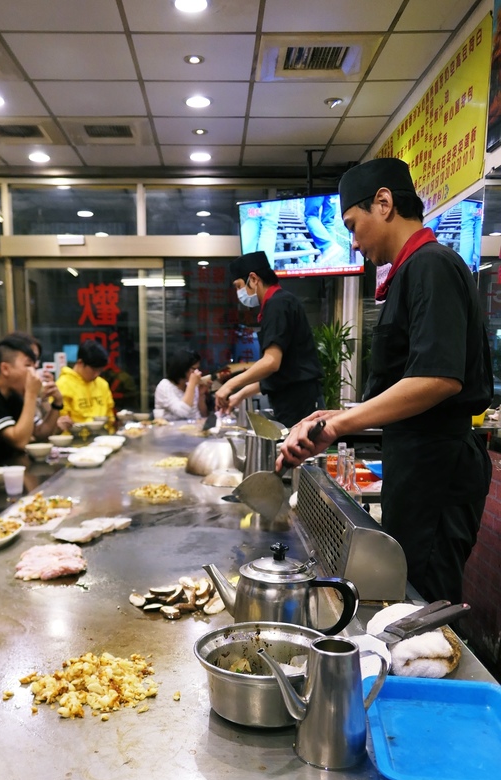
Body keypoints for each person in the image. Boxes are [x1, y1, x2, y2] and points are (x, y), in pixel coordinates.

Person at [278, 157, 493, 604]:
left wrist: (339, 426)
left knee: (425, 601)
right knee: (407, 589)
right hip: (416, 465)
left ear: (384, 203)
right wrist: (339, 415)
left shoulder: (432, 265)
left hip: (439, 470)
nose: (353, 243)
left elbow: (437, 378)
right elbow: (406, 386)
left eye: (353, 227)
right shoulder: (408, 273)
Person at [214, 251, 324, 428]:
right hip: (295, 401)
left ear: (254, 278)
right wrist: (240, 395)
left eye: (238, 286)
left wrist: (230, 385)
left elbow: (271, 362)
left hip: (298, 405)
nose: (238, 292)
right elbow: (282, 372)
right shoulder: (279, 302)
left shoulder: (278, 304)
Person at [0, 334, 65, 463]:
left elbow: (40, 433)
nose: (34, 374)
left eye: (34, 368)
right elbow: (19, 441)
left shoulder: (13, 395)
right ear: (5, 369)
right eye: (28, 366)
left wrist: (57, 404)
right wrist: (31, 393)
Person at [56, 341, 115, 423]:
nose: (97, 374)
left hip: (103, 434)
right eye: (94, 370)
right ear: (80, 362)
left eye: (100, 370)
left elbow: (110, 415)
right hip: (75, 434)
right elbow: (62, 420)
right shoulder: (63, 385)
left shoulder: (102, 384)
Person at [153, 349, 210, 421]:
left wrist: (201, 395)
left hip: (193, 429)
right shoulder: (165, 386)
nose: (198, 372)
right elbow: (182, 412)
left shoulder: (190, 384)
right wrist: (192, 385)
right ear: (183, 368)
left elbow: (203, 415)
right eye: (194, 369)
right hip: (170, 430)